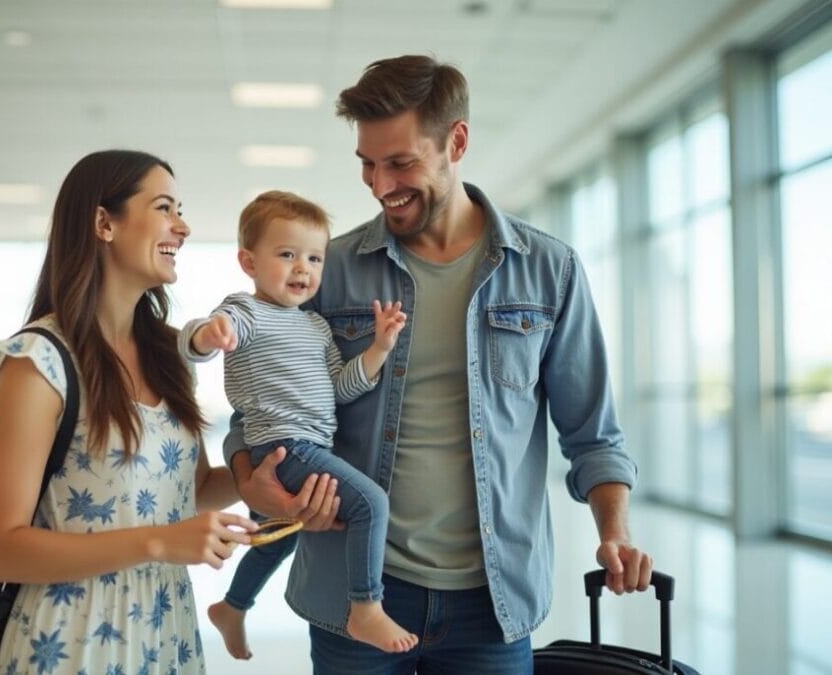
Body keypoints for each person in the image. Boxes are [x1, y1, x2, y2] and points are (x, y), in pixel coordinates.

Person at [227, 55, 655, 673]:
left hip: (493, 599)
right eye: (368, 164)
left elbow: (594, 433)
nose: (379, 185)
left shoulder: (547, 270)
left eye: (399, 162)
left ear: (456, 141)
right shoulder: (330, 270)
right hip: (356, 593)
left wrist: (615, 531)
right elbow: (256, 398)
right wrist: (249, 477)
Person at [0, 149, 257, 675]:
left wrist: (256, 476)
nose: (183, 226)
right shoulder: (39, 362)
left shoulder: (172, 355)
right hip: (72, 642)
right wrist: (157, 542)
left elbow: (186, 493)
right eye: (165, 208)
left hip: (165, 632)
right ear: (104, 222)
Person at [179, 191, 414, 658]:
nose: (302, 269)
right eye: (286, 255)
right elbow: (200, 335)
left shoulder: (316, 328)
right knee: (370, 502)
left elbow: (341, 390)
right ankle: (365, 606)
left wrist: (379, 349)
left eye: (313, 258)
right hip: (286, 446)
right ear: (249, 261)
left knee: (275, 539)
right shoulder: (246, 311)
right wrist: (209, 335)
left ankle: (232, 607)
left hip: (304, 444)